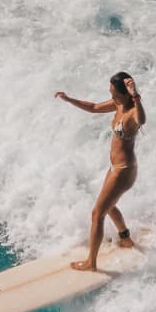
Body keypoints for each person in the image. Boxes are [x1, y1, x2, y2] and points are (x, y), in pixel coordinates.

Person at [55, 72, 145, 270]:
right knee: (109, 205)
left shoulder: (131, 113)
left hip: (124, 170)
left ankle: (91, 263)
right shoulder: (118, 104)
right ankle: (126, 239)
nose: (111, 96)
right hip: (115, 167)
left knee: (97, 214)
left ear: (125, 94)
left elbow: (142, 119)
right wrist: (69, 99)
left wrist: (135, 94)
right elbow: (94, 107)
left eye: (114, 92)